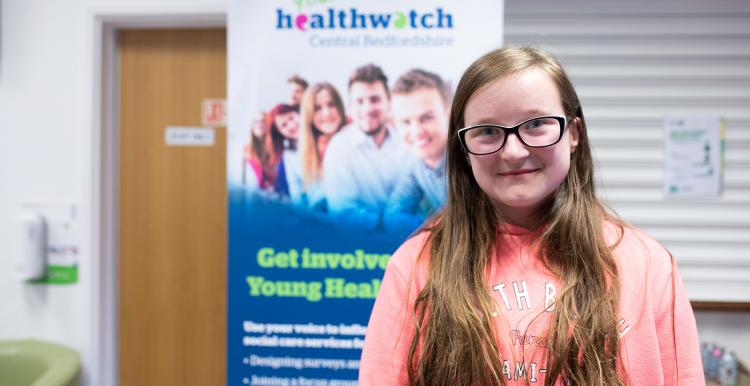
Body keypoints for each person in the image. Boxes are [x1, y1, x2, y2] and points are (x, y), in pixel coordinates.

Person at [359, 46, 704, 385]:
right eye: (487, 131)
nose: (513, 151)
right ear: (464, 150)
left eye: (537, 123)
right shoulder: (416, 266)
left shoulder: (648, 267)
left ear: (573, 134)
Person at [323, 64, 408, 230]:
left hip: (411, 244)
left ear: (388, 102)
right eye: (359, 101)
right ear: (350, 106)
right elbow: (343, 214)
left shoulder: (407, 141)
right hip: (359, 249)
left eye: (375, 99)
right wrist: (390, 224)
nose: (367, 109)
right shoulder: (339, 147)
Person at [384, 69, 450, 235]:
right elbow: (392, 216)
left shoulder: (472, 160)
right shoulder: (417, 163)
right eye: (406, 122)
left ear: (448, 115)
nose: (416, 131)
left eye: (427, 118)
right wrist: (434, 228)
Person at [294, 82, 347, 211]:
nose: (326, 113)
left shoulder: (355, 137)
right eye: (317, 108)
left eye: (331, 105)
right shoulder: (308, 152)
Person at [268, 103, 301, 199]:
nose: (291, 125)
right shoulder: (289, 156)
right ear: (280, 133)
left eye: (291, 118)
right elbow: (296, 191)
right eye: (284, 125)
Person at [244, 111, 279, 191]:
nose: (259, 124)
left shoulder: (277, 146)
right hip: (260, 193)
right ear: (252, 126)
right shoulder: (248, 149)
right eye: (256, 122)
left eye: (263, 121)